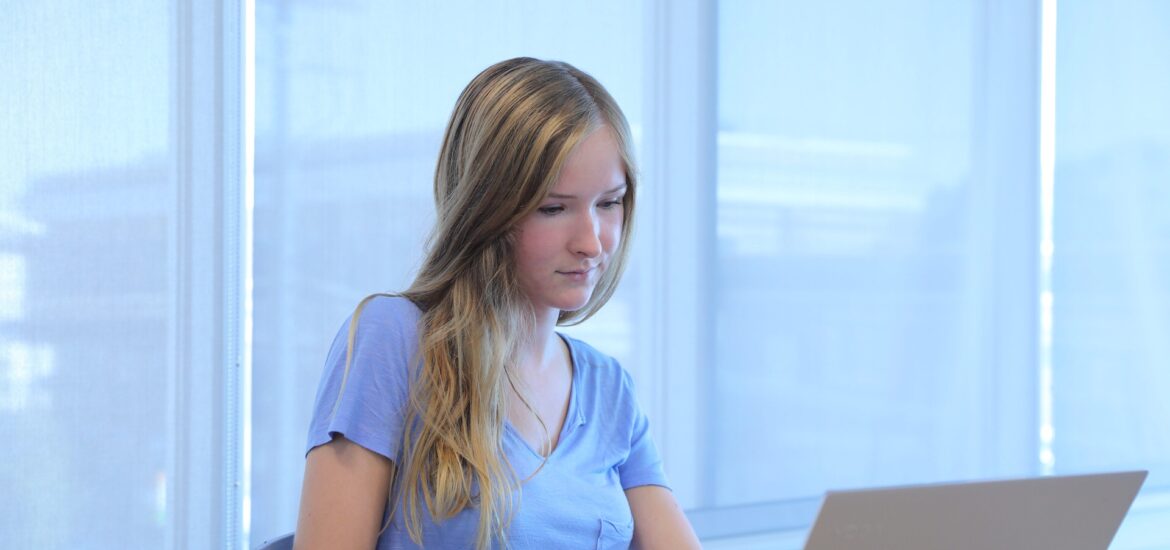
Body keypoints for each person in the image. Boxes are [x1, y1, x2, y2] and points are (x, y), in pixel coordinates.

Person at [293, 57, 700, 550]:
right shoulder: (393, 338)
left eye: (609, 203)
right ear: (487, 209)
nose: (592, 243)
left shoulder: (609, 389)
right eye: (554, 208)